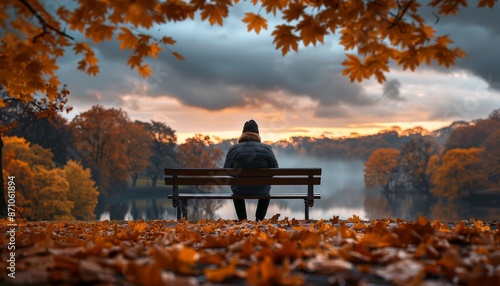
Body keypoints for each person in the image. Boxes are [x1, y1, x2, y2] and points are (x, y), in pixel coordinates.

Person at [223, 119, 279, 221]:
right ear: (257, 134)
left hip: (240, 190)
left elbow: (226, 169)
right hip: (261, 190)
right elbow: (275, 170)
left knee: (236, 190)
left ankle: (242, 219)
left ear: (243, 133)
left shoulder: (233, 149)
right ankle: (259, 219)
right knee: (266, 190)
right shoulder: (267, 148)